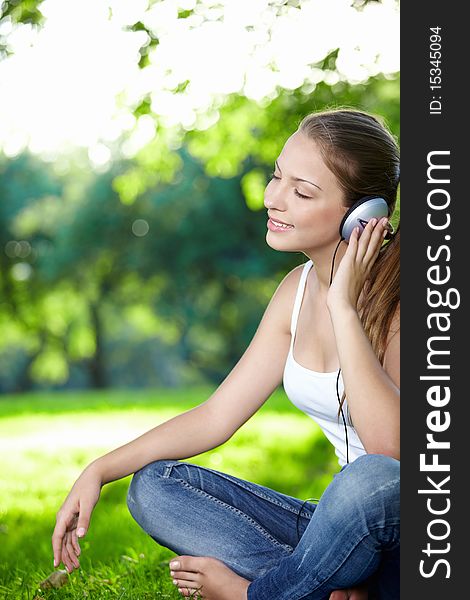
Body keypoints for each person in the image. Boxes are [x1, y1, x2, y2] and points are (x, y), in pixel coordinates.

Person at [52, 108, 400, 600]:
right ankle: (320, 587)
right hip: (338, 530)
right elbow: (216, 415)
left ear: (363, 217)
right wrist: (100, 470)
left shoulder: (409, 293)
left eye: (302, 191)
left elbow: (393, 457)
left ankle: (252, 595)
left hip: (409, 529)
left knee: (369, 481)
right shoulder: (295, 292)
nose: (273, 199)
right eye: (278, 176)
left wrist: (344, 307)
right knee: (154, 484)